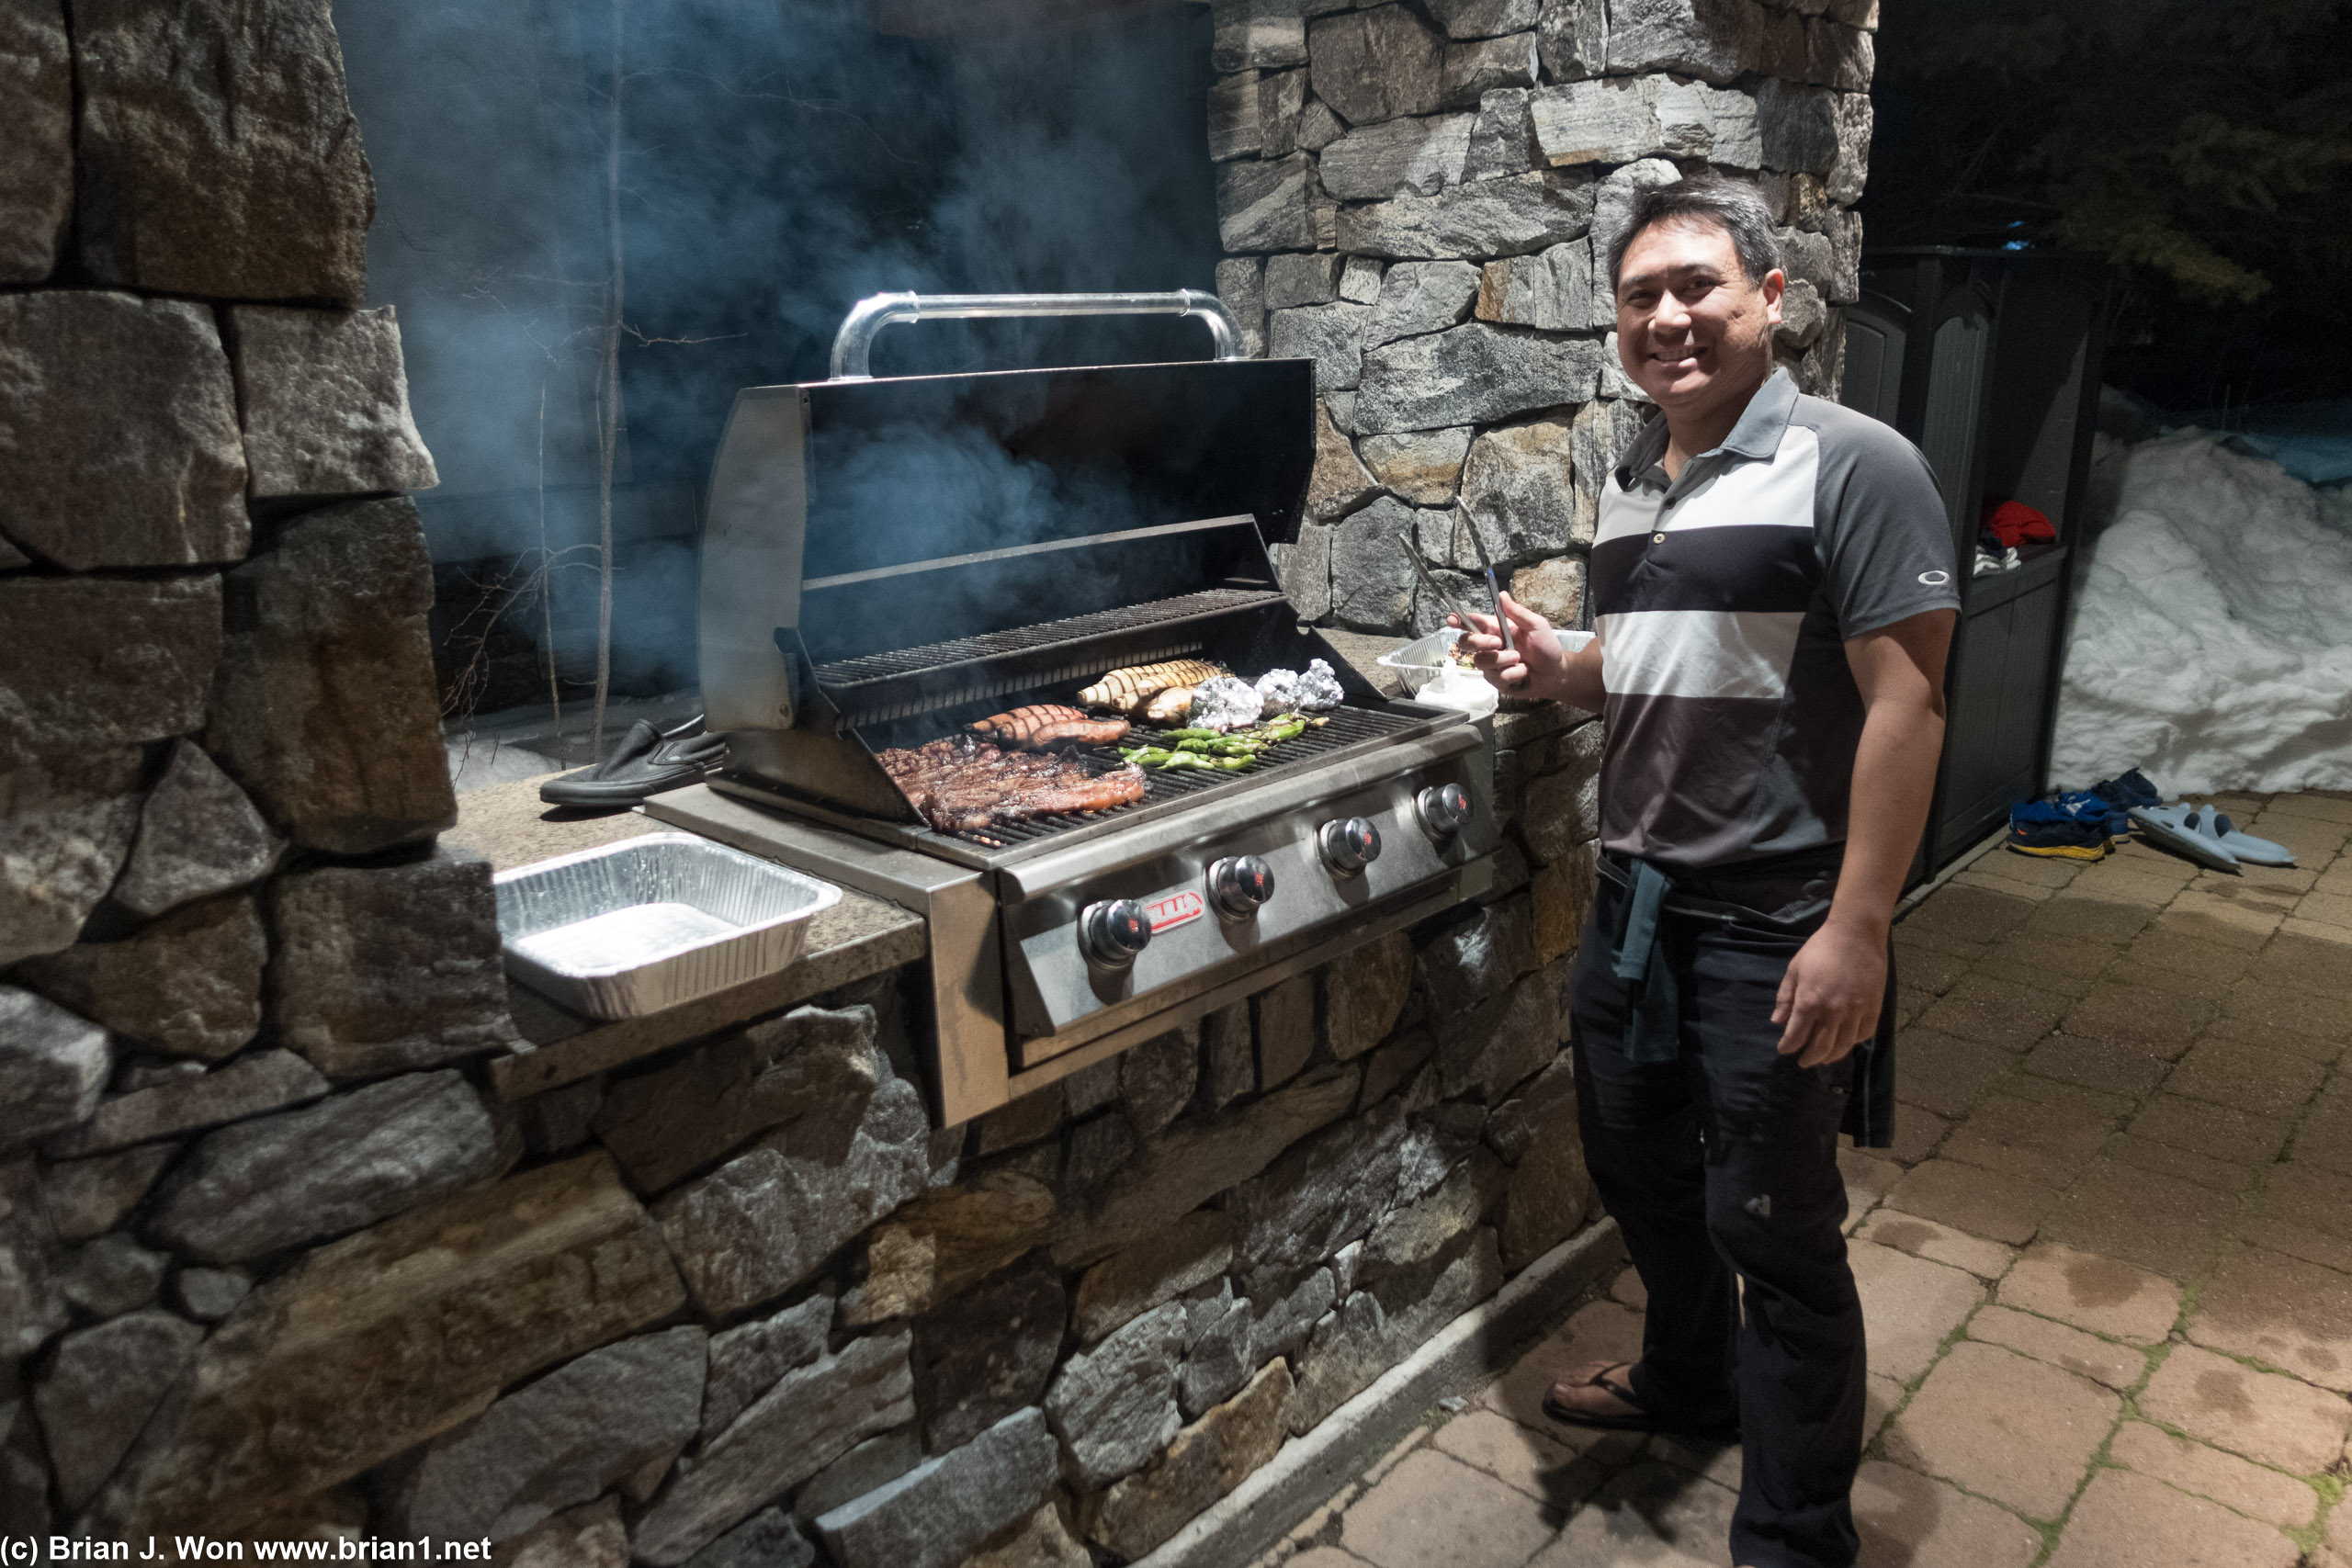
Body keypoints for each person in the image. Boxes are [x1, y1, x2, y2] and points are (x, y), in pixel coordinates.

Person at [1454, 173, 1959, 1568]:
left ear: (1770, 300)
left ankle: (1794, 1537)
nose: (1669, 318)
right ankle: (1686, 1379)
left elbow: (1910, 705)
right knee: (1639, 1171)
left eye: (1698, 288)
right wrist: (1558, 667)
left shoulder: (1856, 464)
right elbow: (1664, 663)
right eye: (1641, 297)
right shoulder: (1635, 471)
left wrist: (1859, 931)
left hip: (1776, 917)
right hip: (1636, 905)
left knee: (1776, 1232)